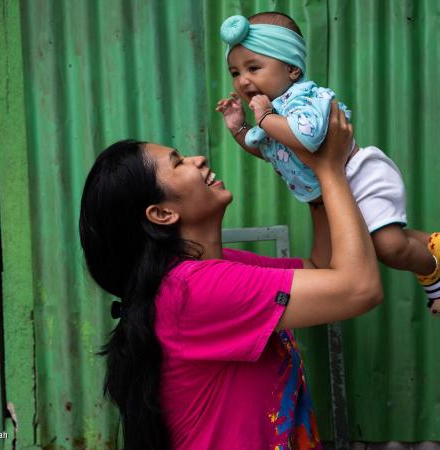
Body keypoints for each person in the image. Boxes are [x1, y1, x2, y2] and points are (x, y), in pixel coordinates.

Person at [79, 103, 382, 450]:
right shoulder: (194, 290)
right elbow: (360, 288)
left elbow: (322, 269)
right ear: (162, 213)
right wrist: (331, 170)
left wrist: (310, 180)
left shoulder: (210, 273)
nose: (198, 160)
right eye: (178, 163)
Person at [216, 12, 440, 315]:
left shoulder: (305, 98)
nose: (243, 80)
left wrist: (267, 118)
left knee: (389, 247)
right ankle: (432, 246)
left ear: (293, 69)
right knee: (325, 263)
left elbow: (306, 137)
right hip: (323, 194)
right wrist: (239, 129)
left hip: (358, 175)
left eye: (254, 68)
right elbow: (271, 152)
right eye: (235, 72)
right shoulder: (271, 112)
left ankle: (433, 273)